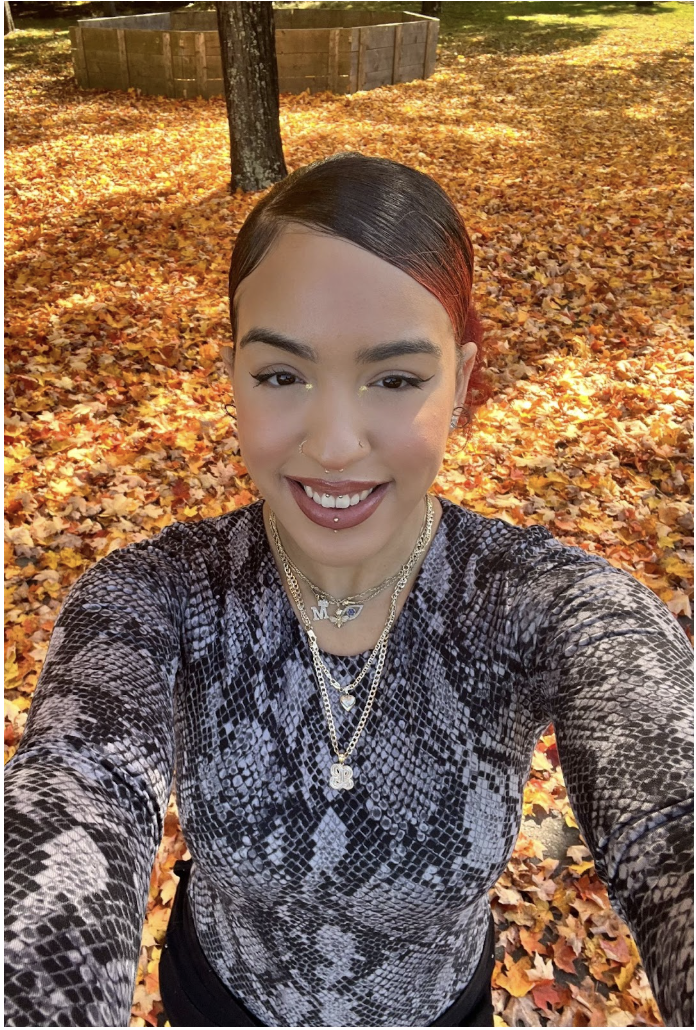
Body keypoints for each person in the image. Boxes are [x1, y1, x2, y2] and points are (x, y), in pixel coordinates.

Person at [4, 152, 693, 1029]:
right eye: (281, 375)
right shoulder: (154, 597)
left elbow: (671, 812)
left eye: (395, 379)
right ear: (232, 374)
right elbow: (75, 788)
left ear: (461, 381)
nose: (333, 446)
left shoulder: (541, 602)